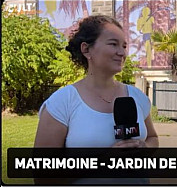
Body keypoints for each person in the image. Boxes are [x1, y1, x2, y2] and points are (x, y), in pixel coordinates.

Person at [34, 15, 159, 184]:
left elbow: (152, 138)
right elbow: (43, 176)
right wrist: (103, 160)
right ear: (86, 50)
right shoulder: (62, 102)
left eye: (124, 46)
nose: (122, 53)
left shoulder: (138, 98)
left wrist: (146, 148)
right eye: (113, 44)